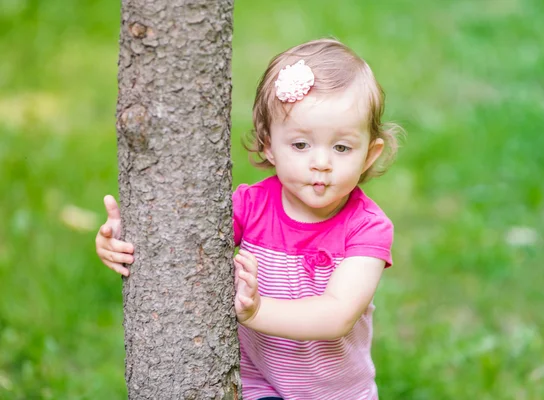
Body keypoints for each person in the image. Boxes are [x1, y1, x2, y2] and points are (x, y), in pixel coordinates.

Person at [96, 38, 400, 400]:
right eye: (301, 145)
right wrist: (124, 239)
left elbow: (337, 315)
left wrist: (257, 311)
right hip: (259, 383)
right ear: (268, 143)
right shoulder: (250, 206)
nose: (322, 162)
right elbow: (179, 240)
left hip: (337, 392)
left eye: (341, 147)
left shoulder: (367, 228)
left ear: (369, 153)